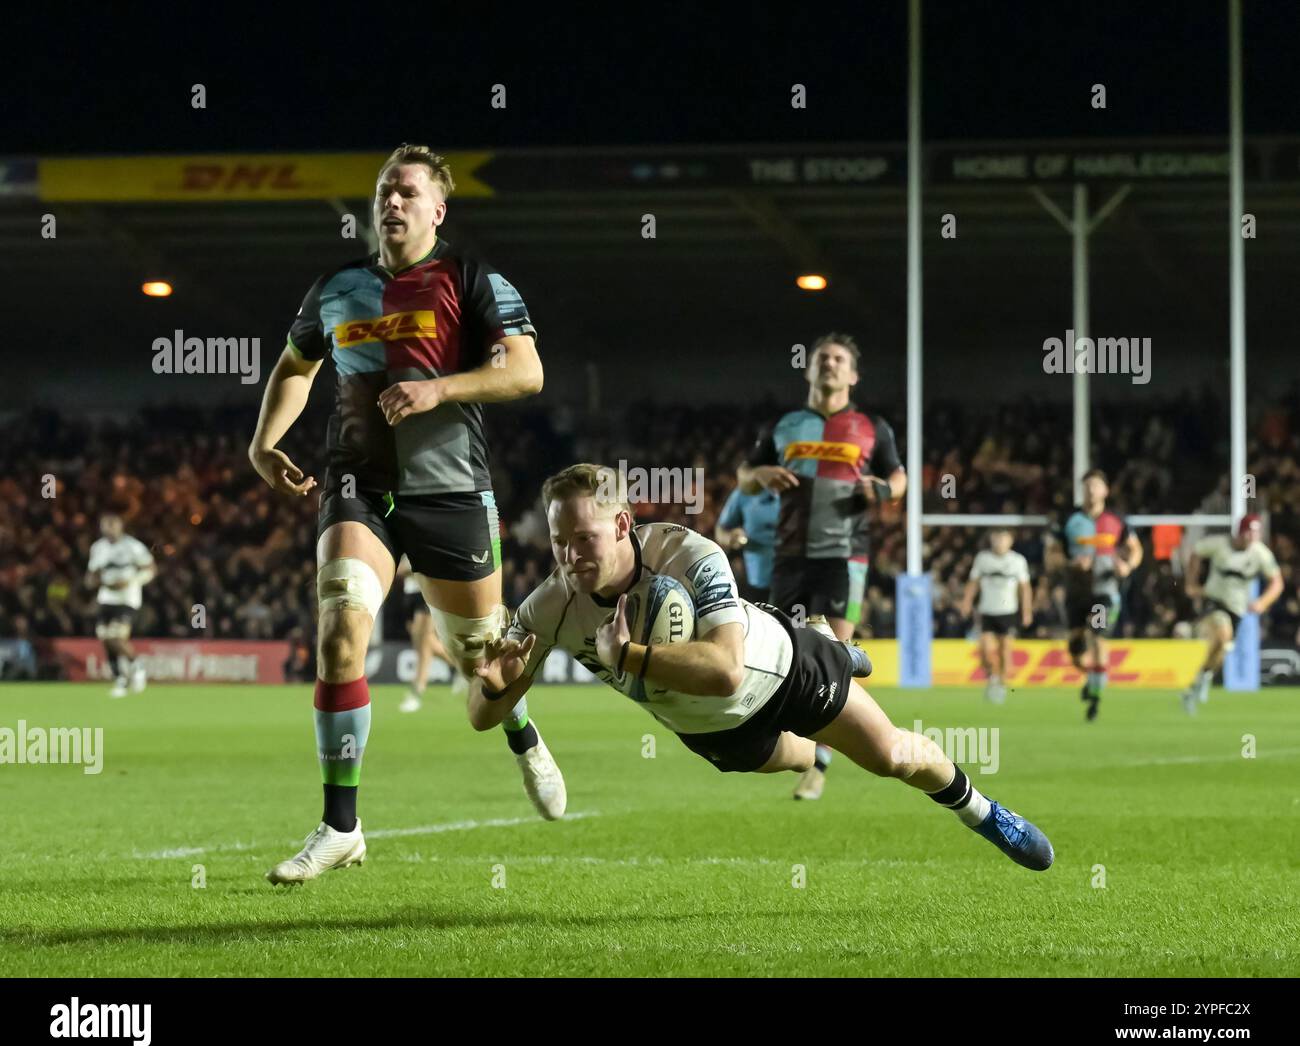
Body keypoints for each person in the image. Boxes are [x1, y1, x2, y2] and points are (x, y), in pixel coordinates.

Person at [468, 463, 1054, 872]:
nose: (570, 556)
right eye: (557, 541)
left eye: (584, 538)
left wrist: (631, 657)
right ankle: (829, 656)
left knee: (888, 757)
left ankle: (984, 812)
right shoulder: (549, 605)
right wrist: (494, 690)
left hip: (778, 669)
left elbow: (725, 669)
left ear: (621, 525)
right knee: (800, 757)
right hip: (710, 729)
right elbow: (480, 716)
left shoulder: (690, 554)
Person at [249, 144, 566, 886]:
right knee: (339, 630)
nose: (391, 203)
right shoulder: (335, 287)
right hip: (357, 487)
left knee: (482, 668)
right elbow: (297, 365)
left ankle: (522, 731)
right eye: (384, 192)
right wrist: (265, 442)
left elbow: (526, 370)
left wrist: (439, 389)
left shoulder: (471, 278)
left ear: (437, 209)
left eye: (407, 192)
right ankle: (341, 825)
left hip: (452, 494)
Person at [737, 333, 905, 642]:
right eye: (821, 358)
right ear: (808, 370)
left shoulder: (872, 427)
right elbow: (744, 478)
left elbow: (899, 478)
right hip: (788, 555)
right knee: (784, 654)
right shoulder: (782, 425)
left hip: (845, 555)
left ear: (853, 376)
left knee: (834, 654)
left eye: (839, 359)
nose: (829, 363)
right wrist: (759, 474)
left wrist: (882, 490)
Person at [1059, 470, 1143, 721]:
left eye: (1096, 486)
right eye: (1087, 486)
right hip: (1077, 591)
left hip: (1104, 592)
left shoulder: (1117, 520)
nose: (1091, 490)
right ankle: (1091, 678)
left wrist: (1128, 566)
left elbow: (1135, 550)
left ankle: (1095, 699)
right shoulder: (1069, 519)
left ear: (1105, 491)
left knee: (1097, 637)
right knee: (1075, 648)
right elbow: (1052, 555)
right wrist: (1073, 563)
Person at [1181, 514, 1284, 714]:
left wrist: (1263, 602)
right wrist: (1191, 582)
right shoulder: (1220, 544)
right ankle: (1199, 674)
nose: (1252, 537)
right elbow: (1195, 553)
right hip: (1213, 601)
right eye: (1249, 532)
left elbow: (1277, 582)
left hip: (1237, 609)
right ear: (1240, 531)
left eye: (1256, 533)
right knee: (1222, 632)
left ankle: (1200, 681)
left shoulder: (1260, 554)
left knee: (1222, 649)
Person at [86, 513, 156, 698]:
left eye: (112, 525)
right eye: (105, 525)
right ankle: (121, 680)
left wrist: (131, 582)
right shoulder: (98, 548)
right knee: (105, 639)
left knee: (116, 638)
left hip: (127, 599)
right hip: (106, 598)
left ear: (120, 527)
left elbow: (150, 569)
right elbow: (93, 572)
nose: (108, 529)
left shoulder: (133, 546)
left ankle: (137, 665)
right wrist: (91, 581)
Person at [959, 528, 1032, 703]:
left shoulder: (1017, 561)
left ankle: (1001, 685)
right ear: (992, 540)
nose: (999, 543)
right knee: (985, 651)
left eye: (1003, 539)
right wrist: (967, 602)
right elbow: (973, 582)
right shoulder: (983, 559)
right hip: (987, 611)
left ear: (1010, 542)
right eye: (997, 539)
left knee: (1005, 651)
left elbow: (1025, 588)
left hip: (1008, 612)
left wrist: (1027, 611)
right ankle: (992, 677)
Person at [395, 555, 464, 712]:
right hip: (412, 592)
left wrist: (410, 569)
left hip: (430, 589)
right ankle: (464, 668)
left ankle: (416, 692)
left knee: (425, 641)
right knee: (424, 643)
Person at [714, 485, 779, 604]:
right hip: (758, 581)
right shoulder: (745, 492)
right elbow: (721, 531)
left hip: (798, 580)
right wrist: (732, 538)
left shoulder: (806, 490)